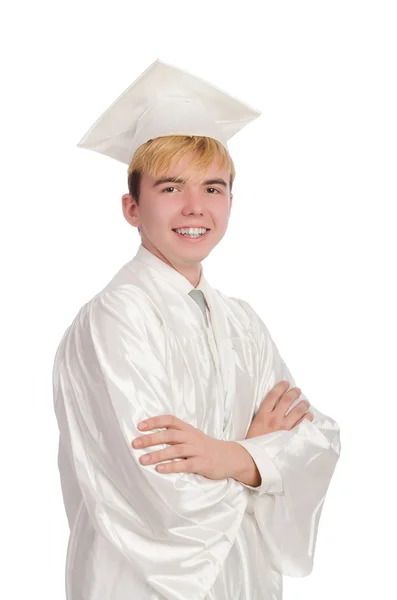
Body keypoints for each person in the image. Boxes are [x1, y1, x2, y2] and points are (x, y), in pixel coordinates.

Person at [52, 59, 341, 600]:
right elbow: (156, 489)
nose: (195, 207)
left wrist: (228, 456)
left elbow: (316, 438)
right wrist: (259, 460)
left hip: (245, 580)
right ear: (131, 208)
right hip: (138, 586)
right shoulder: (116, 318)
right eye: (170, 187)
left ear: (232, 201)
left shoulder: (242, 323)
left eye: (213, 188)